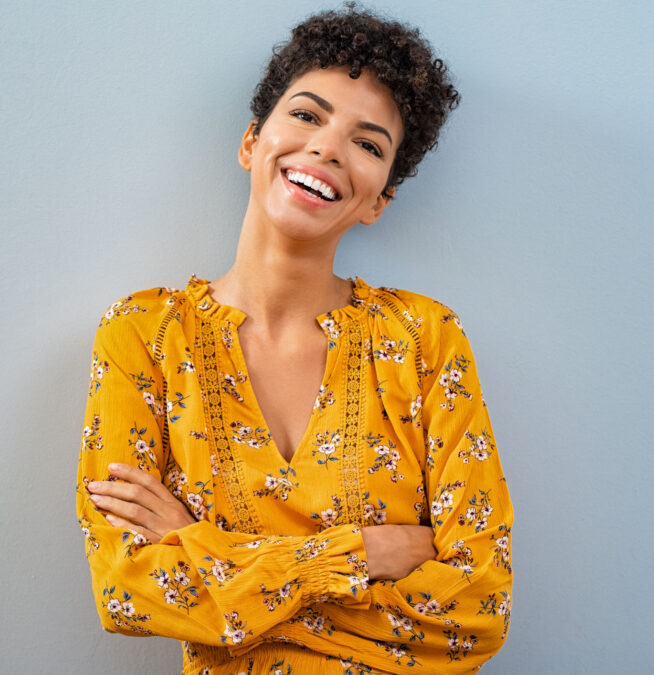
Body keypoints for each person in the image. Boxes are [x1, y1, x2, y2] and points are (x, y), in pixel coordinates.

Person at [76, 6, 512, 673]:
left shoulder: (425, 338)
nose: (329, 148)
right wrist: (361, 555)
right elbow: (126, 592)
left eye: (368, 144)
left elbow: (477, 609)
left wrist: (202, 550)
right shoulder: (144, 336)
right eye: (307, 115)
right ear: (253, 141)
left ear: (377, 202)